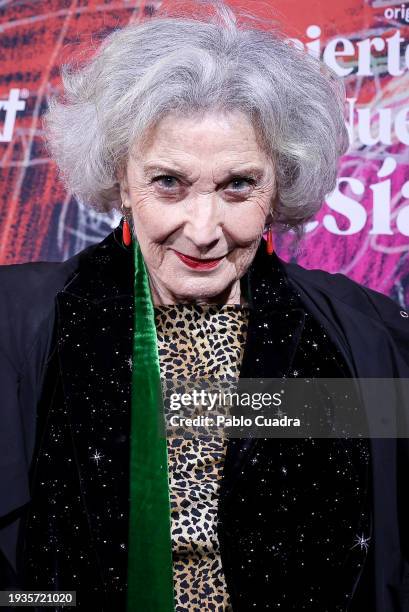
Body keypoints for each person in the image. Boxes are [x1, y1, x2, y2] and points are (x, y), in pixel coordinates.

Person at [1, 2, 409, 610]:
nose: (203, 229)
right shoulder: (19, 324)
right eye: (169, 182)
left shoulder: (364, 338)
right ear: (121, 178)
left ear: (281, 185)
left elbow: (387, 554)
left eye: (237, 185)